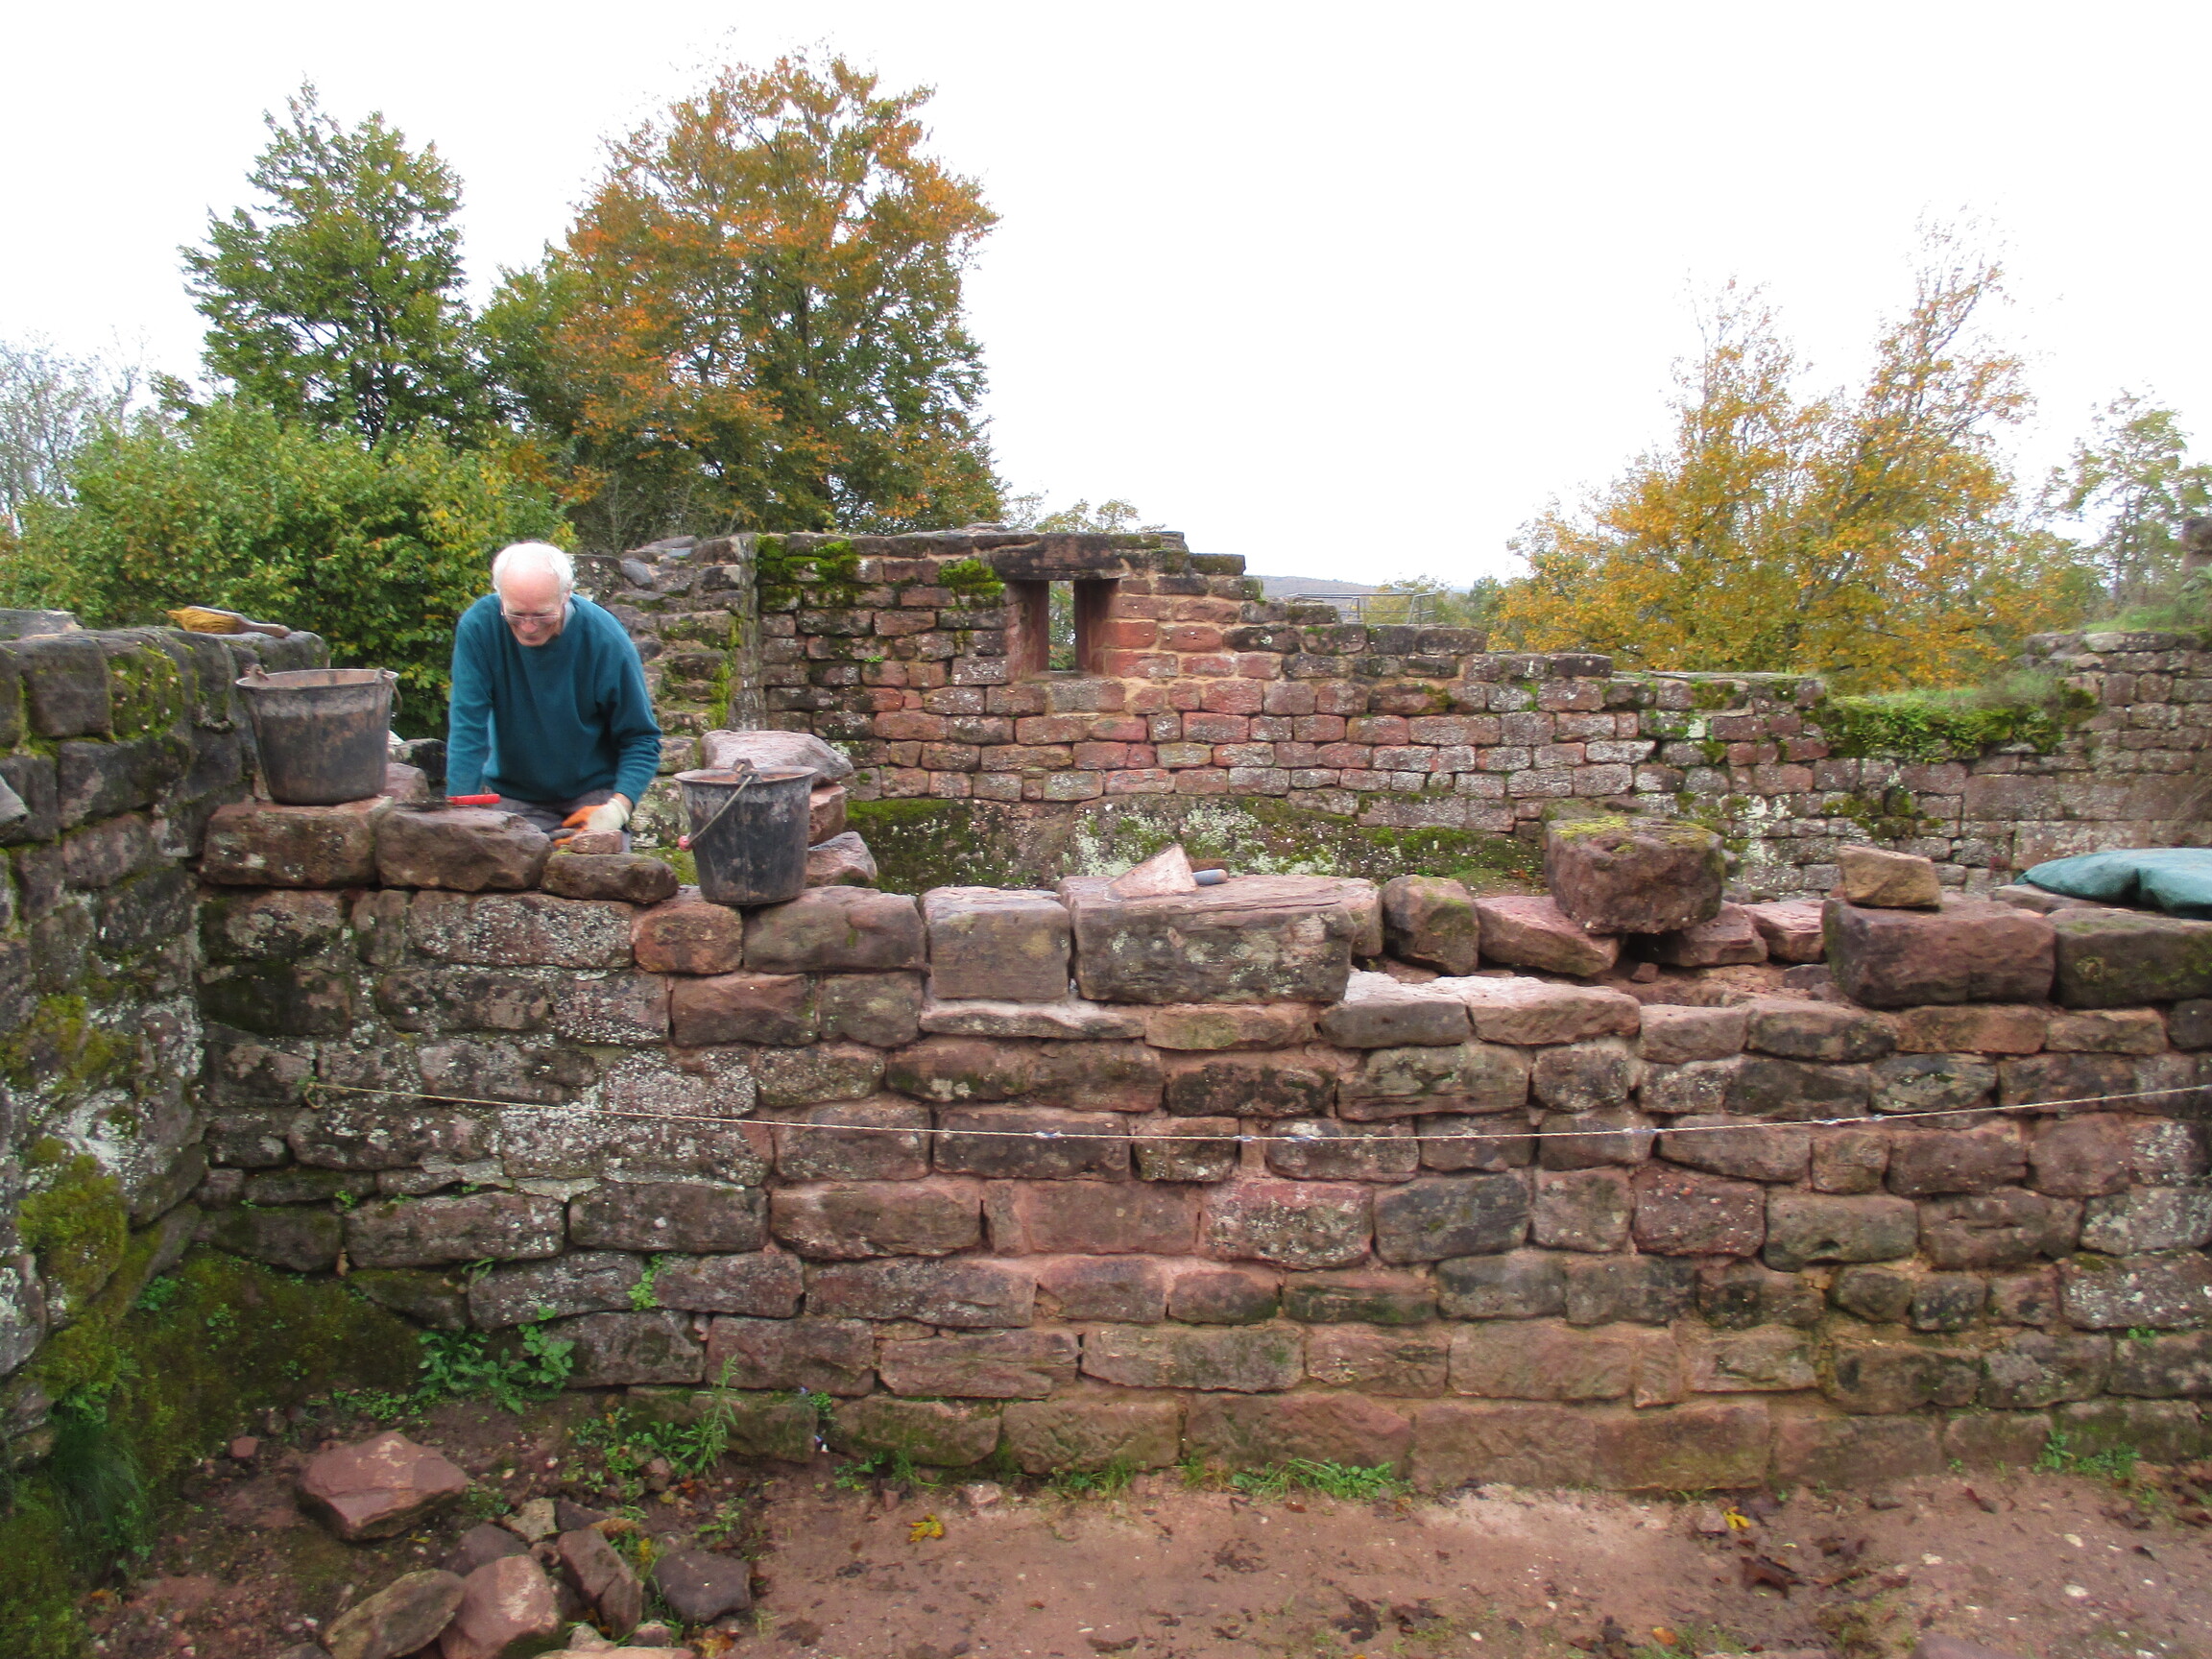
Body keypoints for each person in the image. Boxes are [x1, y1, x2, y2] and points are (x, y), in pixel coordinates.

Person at [444, 541, 661, 843]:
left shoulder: (605, 640)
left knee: (601, 870)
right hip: (513, 794)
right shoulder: (479, 627)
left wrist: (618, 809)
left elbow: (641, 738)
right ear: (499, 596)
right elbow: (468, 727)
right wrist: (460, 815)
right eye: (516, 615)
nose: (528, 627)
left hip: (592, 795)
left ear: (566, 594)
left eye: (542, 615)